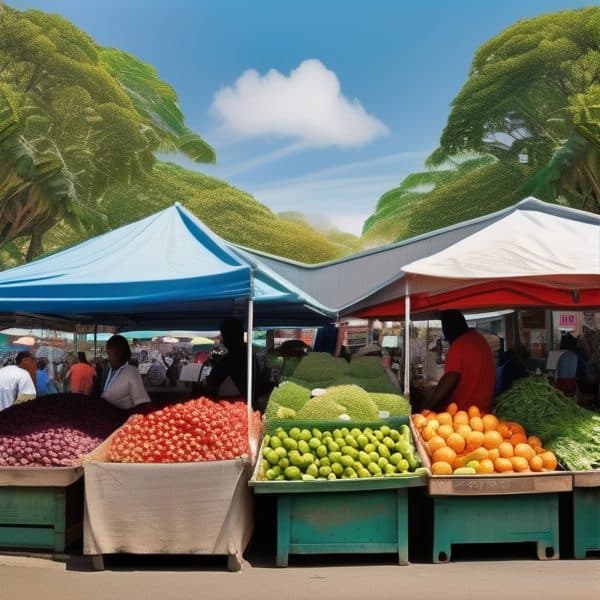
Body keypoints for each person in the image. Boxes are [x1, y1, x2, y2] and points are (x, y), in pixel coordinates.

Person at [430, 310, 496, 413]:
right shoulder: (479, 339)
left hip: (463, 414)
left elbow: (450, 376)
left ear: (448, 328)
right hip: (484, 413)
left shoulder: (459, 345)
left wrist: (430, 405)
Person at [205, 318, 266, 407]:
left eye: (224, 336)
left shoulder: (238, 355)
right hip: (242, 401)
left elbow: (216, 376)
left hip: (237, 403)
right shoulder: (246, 352)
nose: (223, 340)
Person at [100, 335, 150, 409]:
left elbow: (141, 403)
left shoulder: (132, 373)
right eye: (108, 354)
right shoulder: (106, 371)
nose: (108, 358)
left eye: (110, 354)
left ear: (119, 353)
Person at [555, 333, 586, 397]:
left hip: (559, 384)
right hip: (571, 385)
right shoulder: (576, 356)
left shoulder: (560, 355)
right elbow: (584, 369)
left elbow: (556, 372)